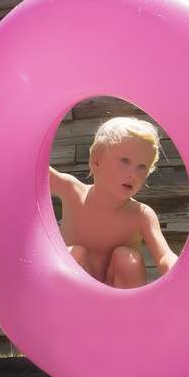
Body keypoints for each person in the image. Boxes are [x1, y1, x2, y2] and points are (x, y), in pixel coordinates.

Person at [48, 116, 179, 288]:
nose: (133, 173)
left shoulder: (141, 215)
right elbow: (35, 172)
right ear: (96, 162)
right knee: (75, 253)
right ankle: (65, 311)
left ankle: (130, 314)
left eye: (142, 167)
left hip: (118, 298)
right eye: (125, 161)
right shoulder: (73, 192)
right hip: (75, 294)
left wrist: (184, 271)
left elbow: (164, 257)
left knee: (127, 258)